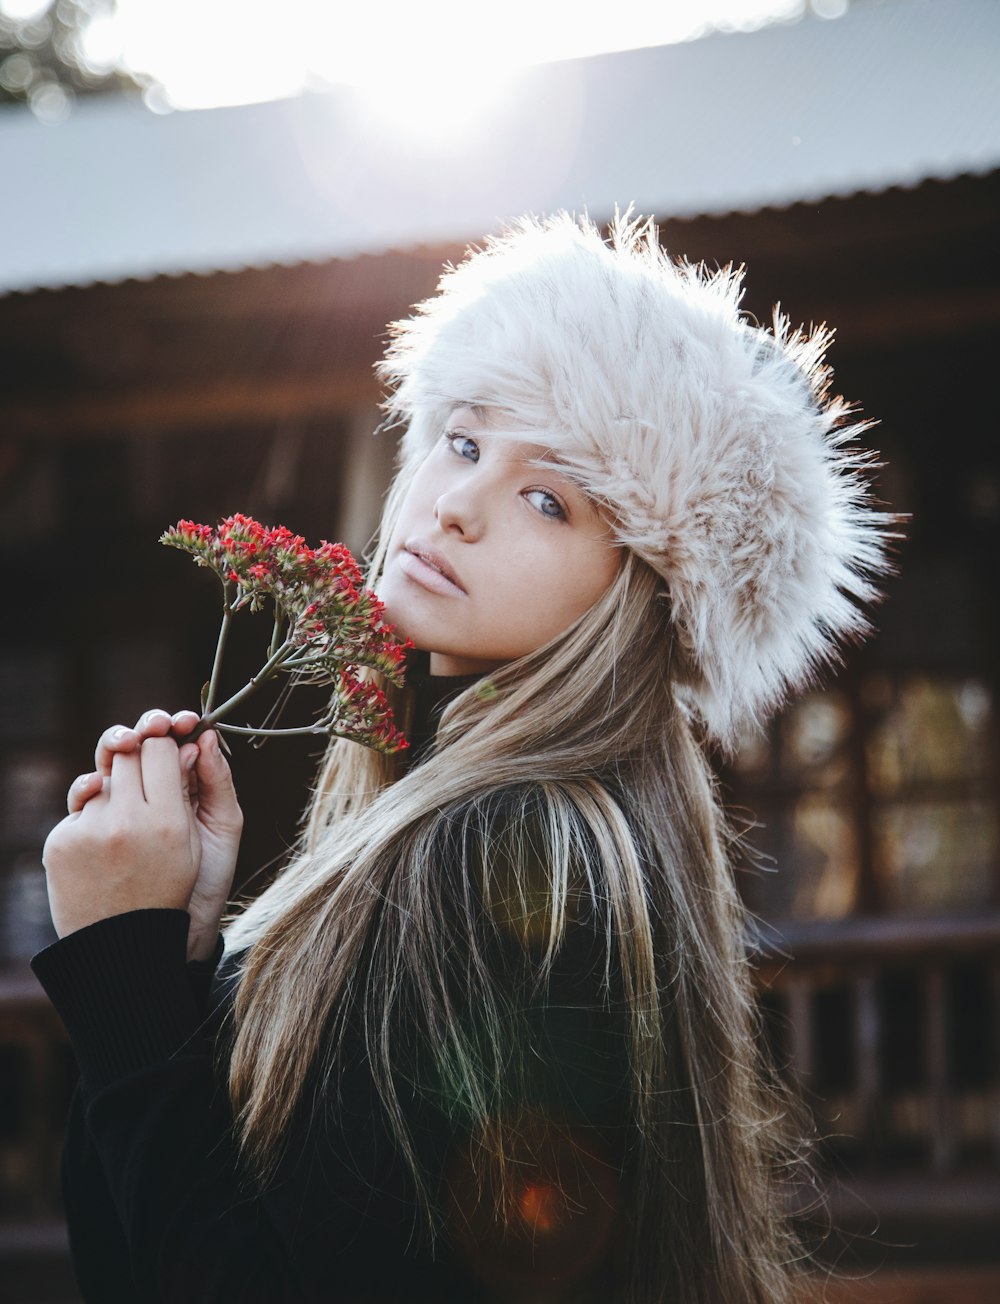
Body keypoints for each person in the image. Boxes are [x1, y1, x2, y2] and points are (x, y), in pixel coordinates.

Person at [35, 212, 891, 1304]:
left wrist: (125, 974)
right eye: (464, 438)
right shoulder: (448, 822)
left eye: (550, 497)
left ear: (640, 594)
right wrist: (177, 953)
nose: (456, 503)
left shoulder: (521, 857)